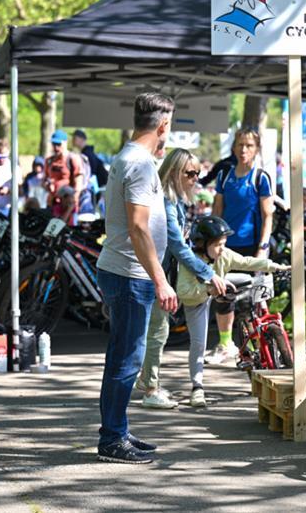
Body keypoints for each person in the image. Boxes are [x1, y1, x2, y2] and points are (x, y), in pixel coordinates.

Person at [95, 92, 178, 464]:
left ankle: (117, 430)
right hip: (131, 274)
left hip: (124, 271)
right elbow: (139, 227)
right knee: (127, 360)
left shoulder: (129, 157)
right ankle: (112, 438)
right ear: (163, 125)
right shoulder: (140, 164)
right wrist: (160, 280)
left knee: (122, 357)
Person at [137, 149, 227, 410]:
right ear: (175, 173)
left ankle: (146, 379)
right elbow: (176, 244)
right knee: (157, 331)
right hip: (153, 271)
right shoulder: (166, 202)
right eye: (190, 173)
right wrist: (207, 272)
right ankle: (150, 389)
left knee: (154, 329)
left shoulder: (174, 200)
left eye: (198, 173)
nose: (195, 178)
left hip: (155, 270)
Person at [178, 216, 288, 407]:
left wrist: (276, 267)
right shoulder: (190, 261)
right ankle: (197, 387)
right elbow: (184, 293)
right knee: (199, 342)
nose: (222, 249)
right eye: (218, 245)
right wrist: (208, 290)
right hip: (197, 298)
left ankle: (248, 323)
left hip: (218, 283)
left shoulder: (224, 255)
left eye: (224, 244)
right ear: (202, 244)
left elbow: (246, 262)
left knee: (249, 280)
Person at [210, 127, 274, 364]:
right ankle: (226, 345)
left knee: (253, 300)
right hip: (226, 247)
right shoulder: (224, 176)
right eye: (240, 145)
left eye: (249, 145)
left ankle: (259, 347)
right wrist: (211, 243)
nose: (243, 149)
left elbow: (268, 215)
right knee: (223, 296)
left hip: (252, 246)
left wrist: (263, 247)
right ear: (234, 147)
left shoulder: (260, 177)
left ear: (256, 149)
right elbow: (217, 209)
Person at [45, 130, 84, 214]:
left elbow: (79, 183)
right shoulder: (49, 161)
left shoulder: (73, 159)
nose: (56, 147)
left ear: (65, 143)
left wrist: (73, 201)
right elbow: (44, 180)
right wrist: (48, 185)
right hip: (52, 203)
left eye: (59, 144)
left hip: (67, 205)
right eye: (54, 144)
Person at [0, 139, 16, 215]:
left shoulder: (14, 167)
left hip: (8, 208)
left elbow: (21, 191)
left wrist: (9, 190)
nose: (1, 159)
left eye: (4, 156)